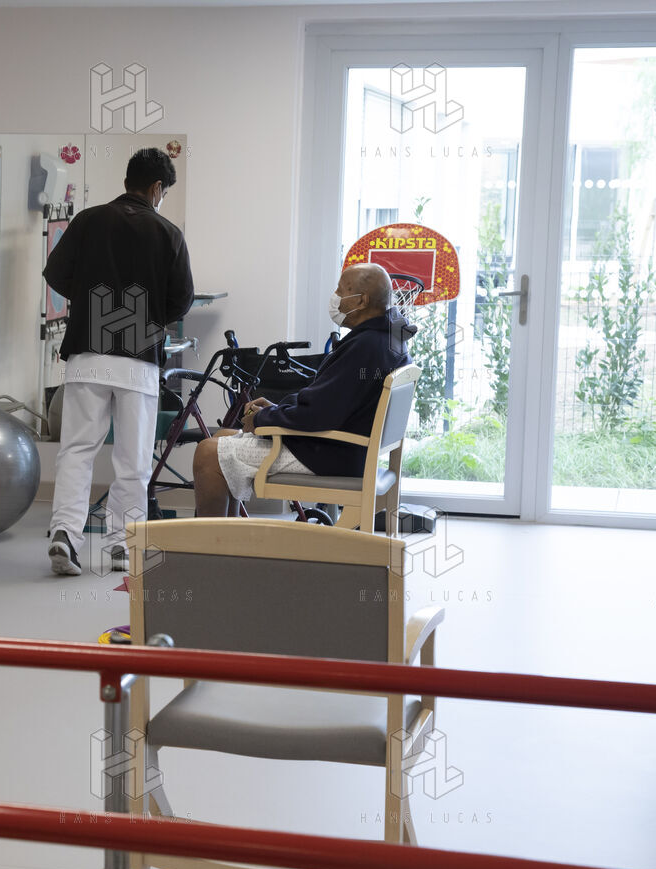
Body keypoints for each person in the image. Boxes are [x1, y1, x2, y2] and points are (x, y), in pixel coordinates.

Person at [42, 148, 195, 575]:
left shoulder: (88, 220)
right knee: (133, 460)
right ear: (157, 188)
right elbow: (182, 299)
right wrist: (147, 317)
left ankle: (64, 535)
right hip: (137, 359)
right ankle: (120, 547)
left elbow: (55, 273)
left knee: (76, 450)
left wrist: (91, 302)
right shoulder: (168, 233)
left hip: (87, 353)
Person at [192, 262, 415, 517]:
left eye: (341, 290)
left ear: (361, 300)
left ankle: (211, 540)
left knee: (207, 453)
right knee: (222, 436)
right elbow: (327, 400)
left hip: (330, 454)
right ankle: (225, 536)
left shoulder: (366, 346)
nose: (335, 297)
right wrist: (277, 409)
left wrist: (263, 419)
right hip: (346, 450)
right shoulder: (387, 339)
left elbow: (319, 414)